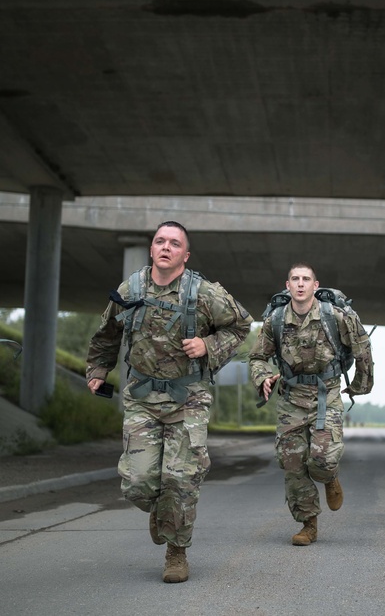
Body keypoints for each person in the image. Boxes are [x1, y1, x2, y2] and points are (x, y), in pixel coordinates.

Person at [86, 221, 252, 583]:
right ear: (151, 249)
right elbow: (108, 332)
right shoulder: (130, 288)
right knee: (138, 484)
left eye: (174, 243)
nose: (165, 247)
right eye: (160, 241)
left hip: (188, 397)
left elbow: (241, 326)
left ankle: (176, 552)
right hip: (142, 396)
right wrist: (98, 369)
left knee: (181, 478)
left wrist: (209, 345)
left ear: (185, 254)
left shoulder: (204, 293)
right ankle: (162, 511)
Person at [248, 264, 373, 546]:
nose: (301, 284)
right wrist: (263, 377)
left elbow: (362, 347)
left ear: (316, 285)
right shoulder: (275, 320)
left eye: (306, 279)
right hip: (291, 398)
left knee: (322, 459)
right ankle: (308, 524)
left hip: (325, 395)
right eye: (295, 279)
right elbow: (257, 357)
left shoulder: (335, 317)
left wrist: (360, 384)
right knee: (292, 464)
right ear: (288, 285)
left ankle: (330, 477)